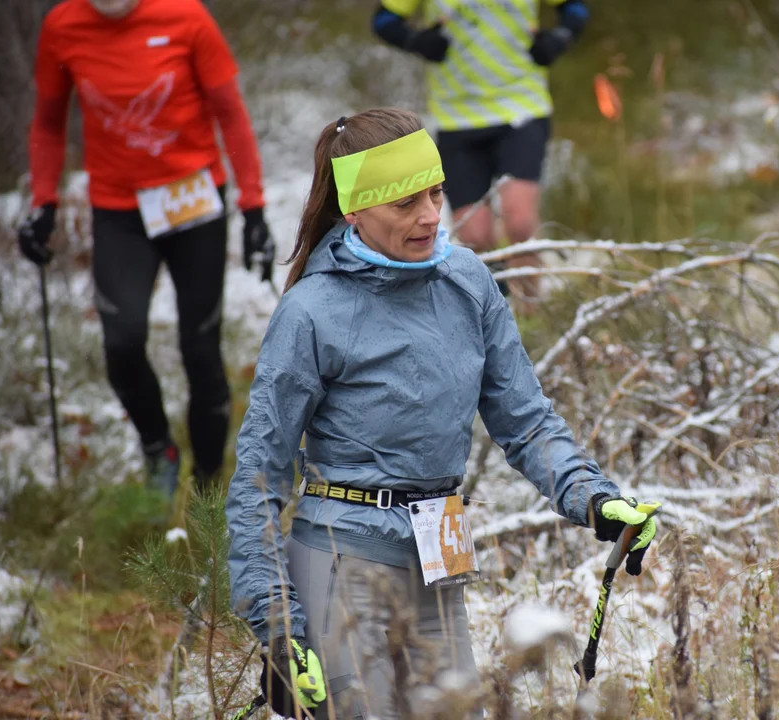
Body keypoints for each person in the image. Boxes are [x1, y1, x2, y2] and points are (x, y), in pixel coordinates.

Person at [225, 108, 659, 719]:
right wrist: (278, 625)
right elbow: (259, 476)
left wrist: (593, 496)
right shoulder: (310, 312)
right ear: (355, 210)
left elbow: (525, 419)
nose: (430, 215)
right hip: (342, 557)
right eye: (404, 203)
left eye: (434, 192)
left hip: (438, 553)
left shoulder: (468, 282)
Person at [18, 0, 274, 494]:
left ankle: (206, 486)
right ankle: (159, 449)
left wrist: (253, 206)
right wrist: (43, 201)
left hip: (192, 200)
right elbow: (49, 121)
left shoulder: (186, 18)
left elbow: (230, 112)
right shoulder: (63, 26)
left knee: (200, 346)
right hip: (120, 207)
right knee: (122, 341)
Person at [369, 0, 589, 302]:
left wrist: (560, 37)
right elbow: (383, 20)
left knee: (520, 223)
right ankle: (493, 312)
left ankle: (530, 315)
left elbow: (575, 8)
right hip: (455, 116)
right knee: (474, 235)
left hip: (521, 107)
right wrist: (416, 41)